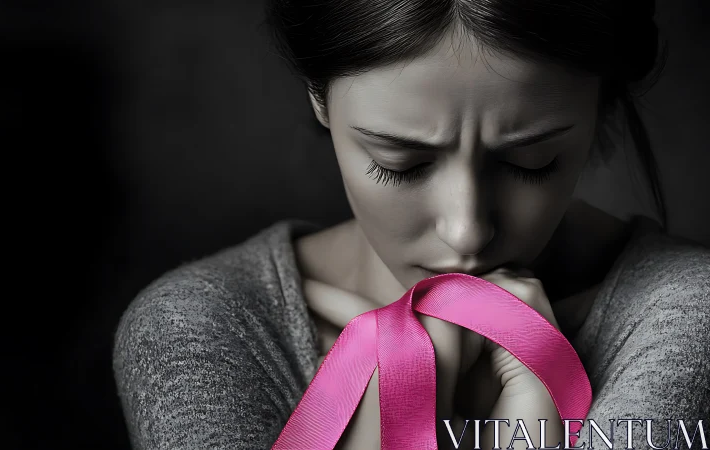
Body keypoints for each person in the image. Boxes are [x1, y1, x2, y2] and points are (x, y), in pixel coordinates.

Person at [113, 1, 710, 449]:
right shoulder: (206, 330)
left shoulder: (684, 318)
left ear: (602, 108)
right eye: (402, 164)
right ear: (320, 98)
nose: (467, 231)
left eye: (532, 163)